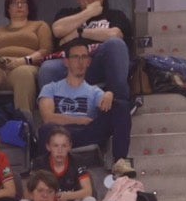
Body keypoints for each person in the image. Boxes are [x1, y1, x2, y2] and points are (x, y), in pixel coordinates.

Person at [39, 39, 133, 175]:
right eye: (75, 57)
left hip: (86, 133)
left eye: (84, 57)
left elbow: (107, 105)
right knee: (46, 129)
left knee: (121, 106)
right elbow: (48, 118)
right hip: (61, 133)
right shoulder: (50, 88)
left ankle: (120, 161)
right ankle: (47, 171)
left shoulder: (94, 91)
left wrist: (110, 94)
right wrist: (79, 120)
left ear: (89, 62)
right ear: (66, 62)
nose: (80, 62)